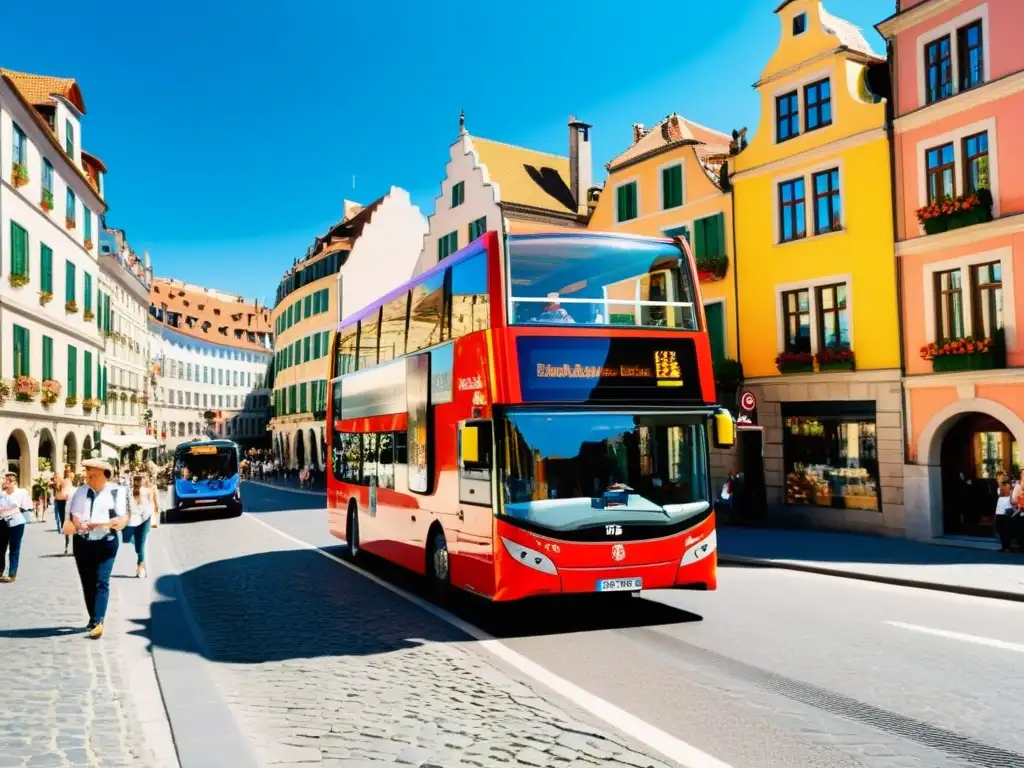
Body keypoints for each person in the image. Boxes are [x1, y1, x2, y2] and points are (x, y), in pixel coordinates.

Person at [64, 458, 128, 638]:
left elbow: (121, 518)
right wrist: (79, 523)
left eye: (91, 473)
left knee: (102, 579)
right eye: (87, 472)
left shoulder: (117, 492)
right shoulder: (80, 492)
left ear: (103, 474)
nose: (87, 476)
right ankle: (93, 617)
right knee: (87, 581)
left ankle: (99, 620)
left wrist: (109, 523)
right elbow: (73, 515)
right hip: (83, 542)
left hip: (106, 541)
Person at [122, 474, 156, 578]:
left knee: (139, 543)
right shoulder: (143, 491)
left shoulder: (130, 491)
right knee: (138, 542)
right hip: (141, 518)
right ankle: (140, 564)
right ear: (142, 480)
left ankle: (141, 566)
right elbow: (151, 505)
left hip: (138, 518)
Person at [0, 484, 24, 582]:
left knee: (14, 549)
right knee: (1, 548)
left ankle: (12, 574)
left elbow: (19, 507)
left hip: (16, 523)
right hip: (2, 523)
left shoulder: (14, 497)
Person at [52, 465, 75, 556]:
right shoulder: (63, 481)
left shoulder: (68, 480)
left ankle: (70, 546)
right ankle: (67, 545)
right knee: (65, 523)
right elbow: (58, 491)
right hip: (62, 502)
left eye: (68, 469)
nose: (66, 471)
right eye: (65, 470)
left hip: (68, 502)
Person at [995, 480, 1014, 552]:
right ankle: (1004, 546)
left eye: (1004, 487)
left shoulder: (1010, 496)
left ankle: (1007, 547)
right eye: (1002, 487)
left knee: (1006, 532)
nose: (1002, 488)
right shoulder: (1000, 496)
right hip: (999, 514)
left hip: (1005, 515)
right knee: (1001, 532)